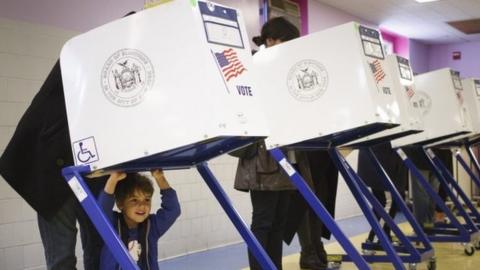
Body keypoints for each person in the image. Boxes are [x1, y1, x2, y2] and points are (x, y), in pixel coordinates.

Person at [0, 60, 107, 269]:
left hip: (93, 171)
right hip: (52, 168)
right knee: (61, 258)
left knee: (99, 248)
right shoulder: (82, 57)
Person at [233, 16, 312, 270]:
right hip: (262, 159)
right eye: (285, 42)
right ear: (270, 41)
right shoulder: (255, 67)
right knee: (264, 221)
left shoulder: (283, 68)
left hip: (285, 158)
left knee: (278, 222)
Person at [98, 169, 181, 270]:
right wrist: (113, 180)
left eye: (147, 199)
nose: (142, 205)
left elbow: (173, 210)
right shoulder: (112, 224)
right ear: (120, 204)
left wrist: (160, 178)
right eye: (134, 200)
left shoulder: (152, 226)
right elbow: (100, 210)